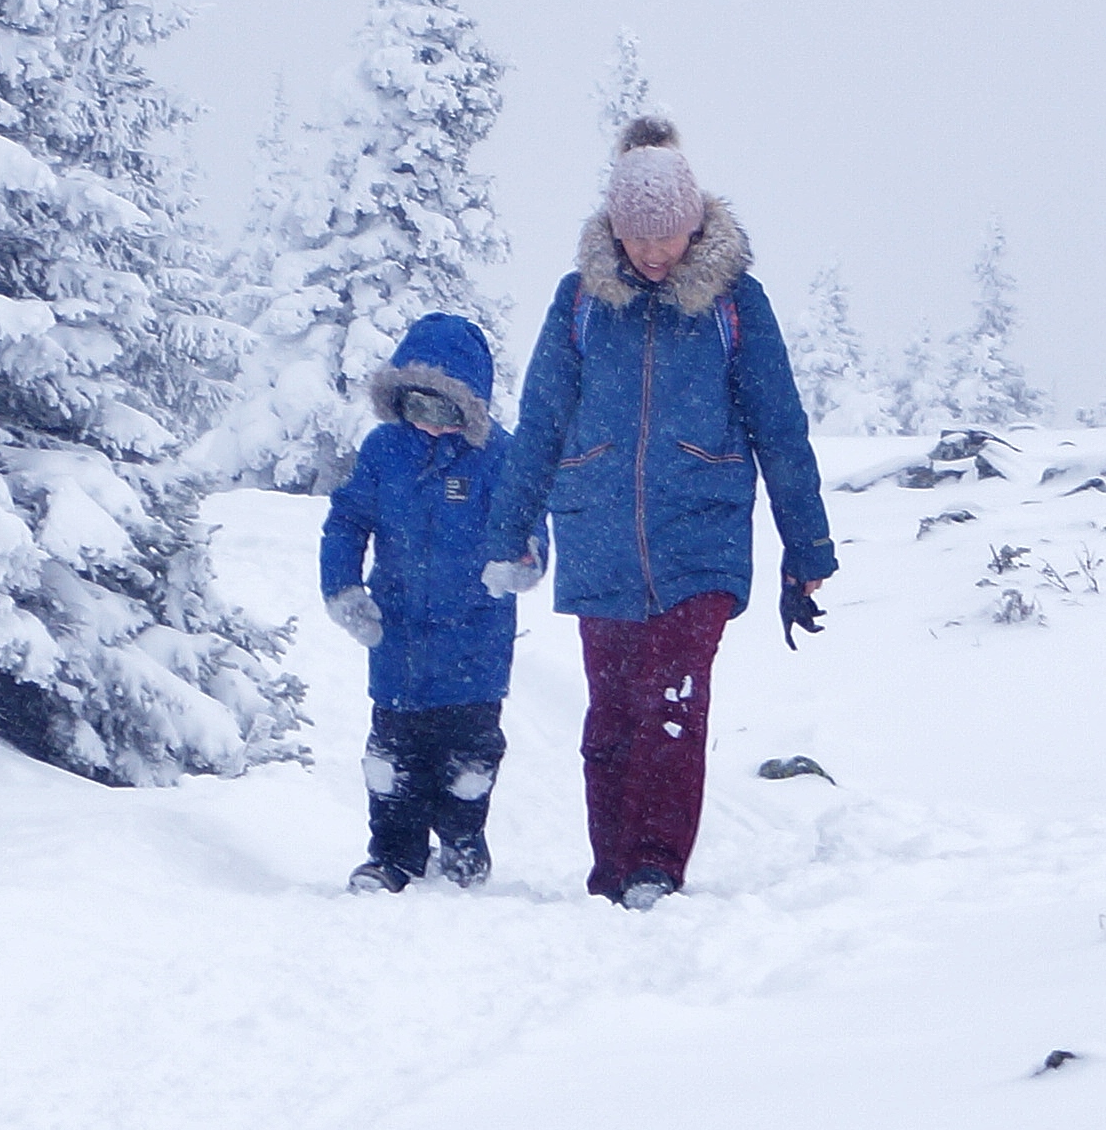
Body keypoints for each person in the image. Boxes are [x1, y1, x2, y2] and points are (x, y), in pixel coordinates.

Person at [481, 117, 837, 907]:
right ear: (613, 229)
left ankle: (654, 866)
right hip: (598, 531)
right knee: (611, 716)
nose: (654, 253)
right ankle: (610, 872)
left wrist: (805, 546)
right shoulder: (578, 303)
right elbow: (539, 420)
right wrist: (507, 531)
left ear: (695, 224)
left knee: (672, 702)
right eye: (638, 237)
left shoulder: (735, 303)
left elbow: (778, 426)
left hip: (699, 534)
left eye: (669, 236)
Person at [318, 309, 518, 891]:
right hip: (397, 632)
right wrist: (343, 587)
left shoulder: (498, 456)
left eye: (445, 410)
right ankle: (394, 855)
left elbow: (525, 524)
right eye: (415, 407)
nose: (429, 425)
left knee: (470, 758)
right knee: (393, 758)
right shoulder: (384, 451)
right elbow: (348, 520)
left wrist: (520, 560)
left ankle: (462, 846)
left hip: (475, 639)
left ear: (471, 407)